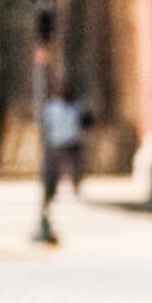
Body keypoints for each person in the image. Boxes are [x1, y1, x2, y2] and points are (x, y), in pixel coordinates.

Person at [35, 79, 90, 247]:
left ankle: (75, 186)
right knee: (53, 174)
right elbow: (45, 126)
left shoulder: (75, 107)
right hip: (57, 143)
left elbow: (85, 122)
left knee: (75, 167)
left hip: (71, 142)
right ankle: (52, 195)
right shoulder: (52, 108)